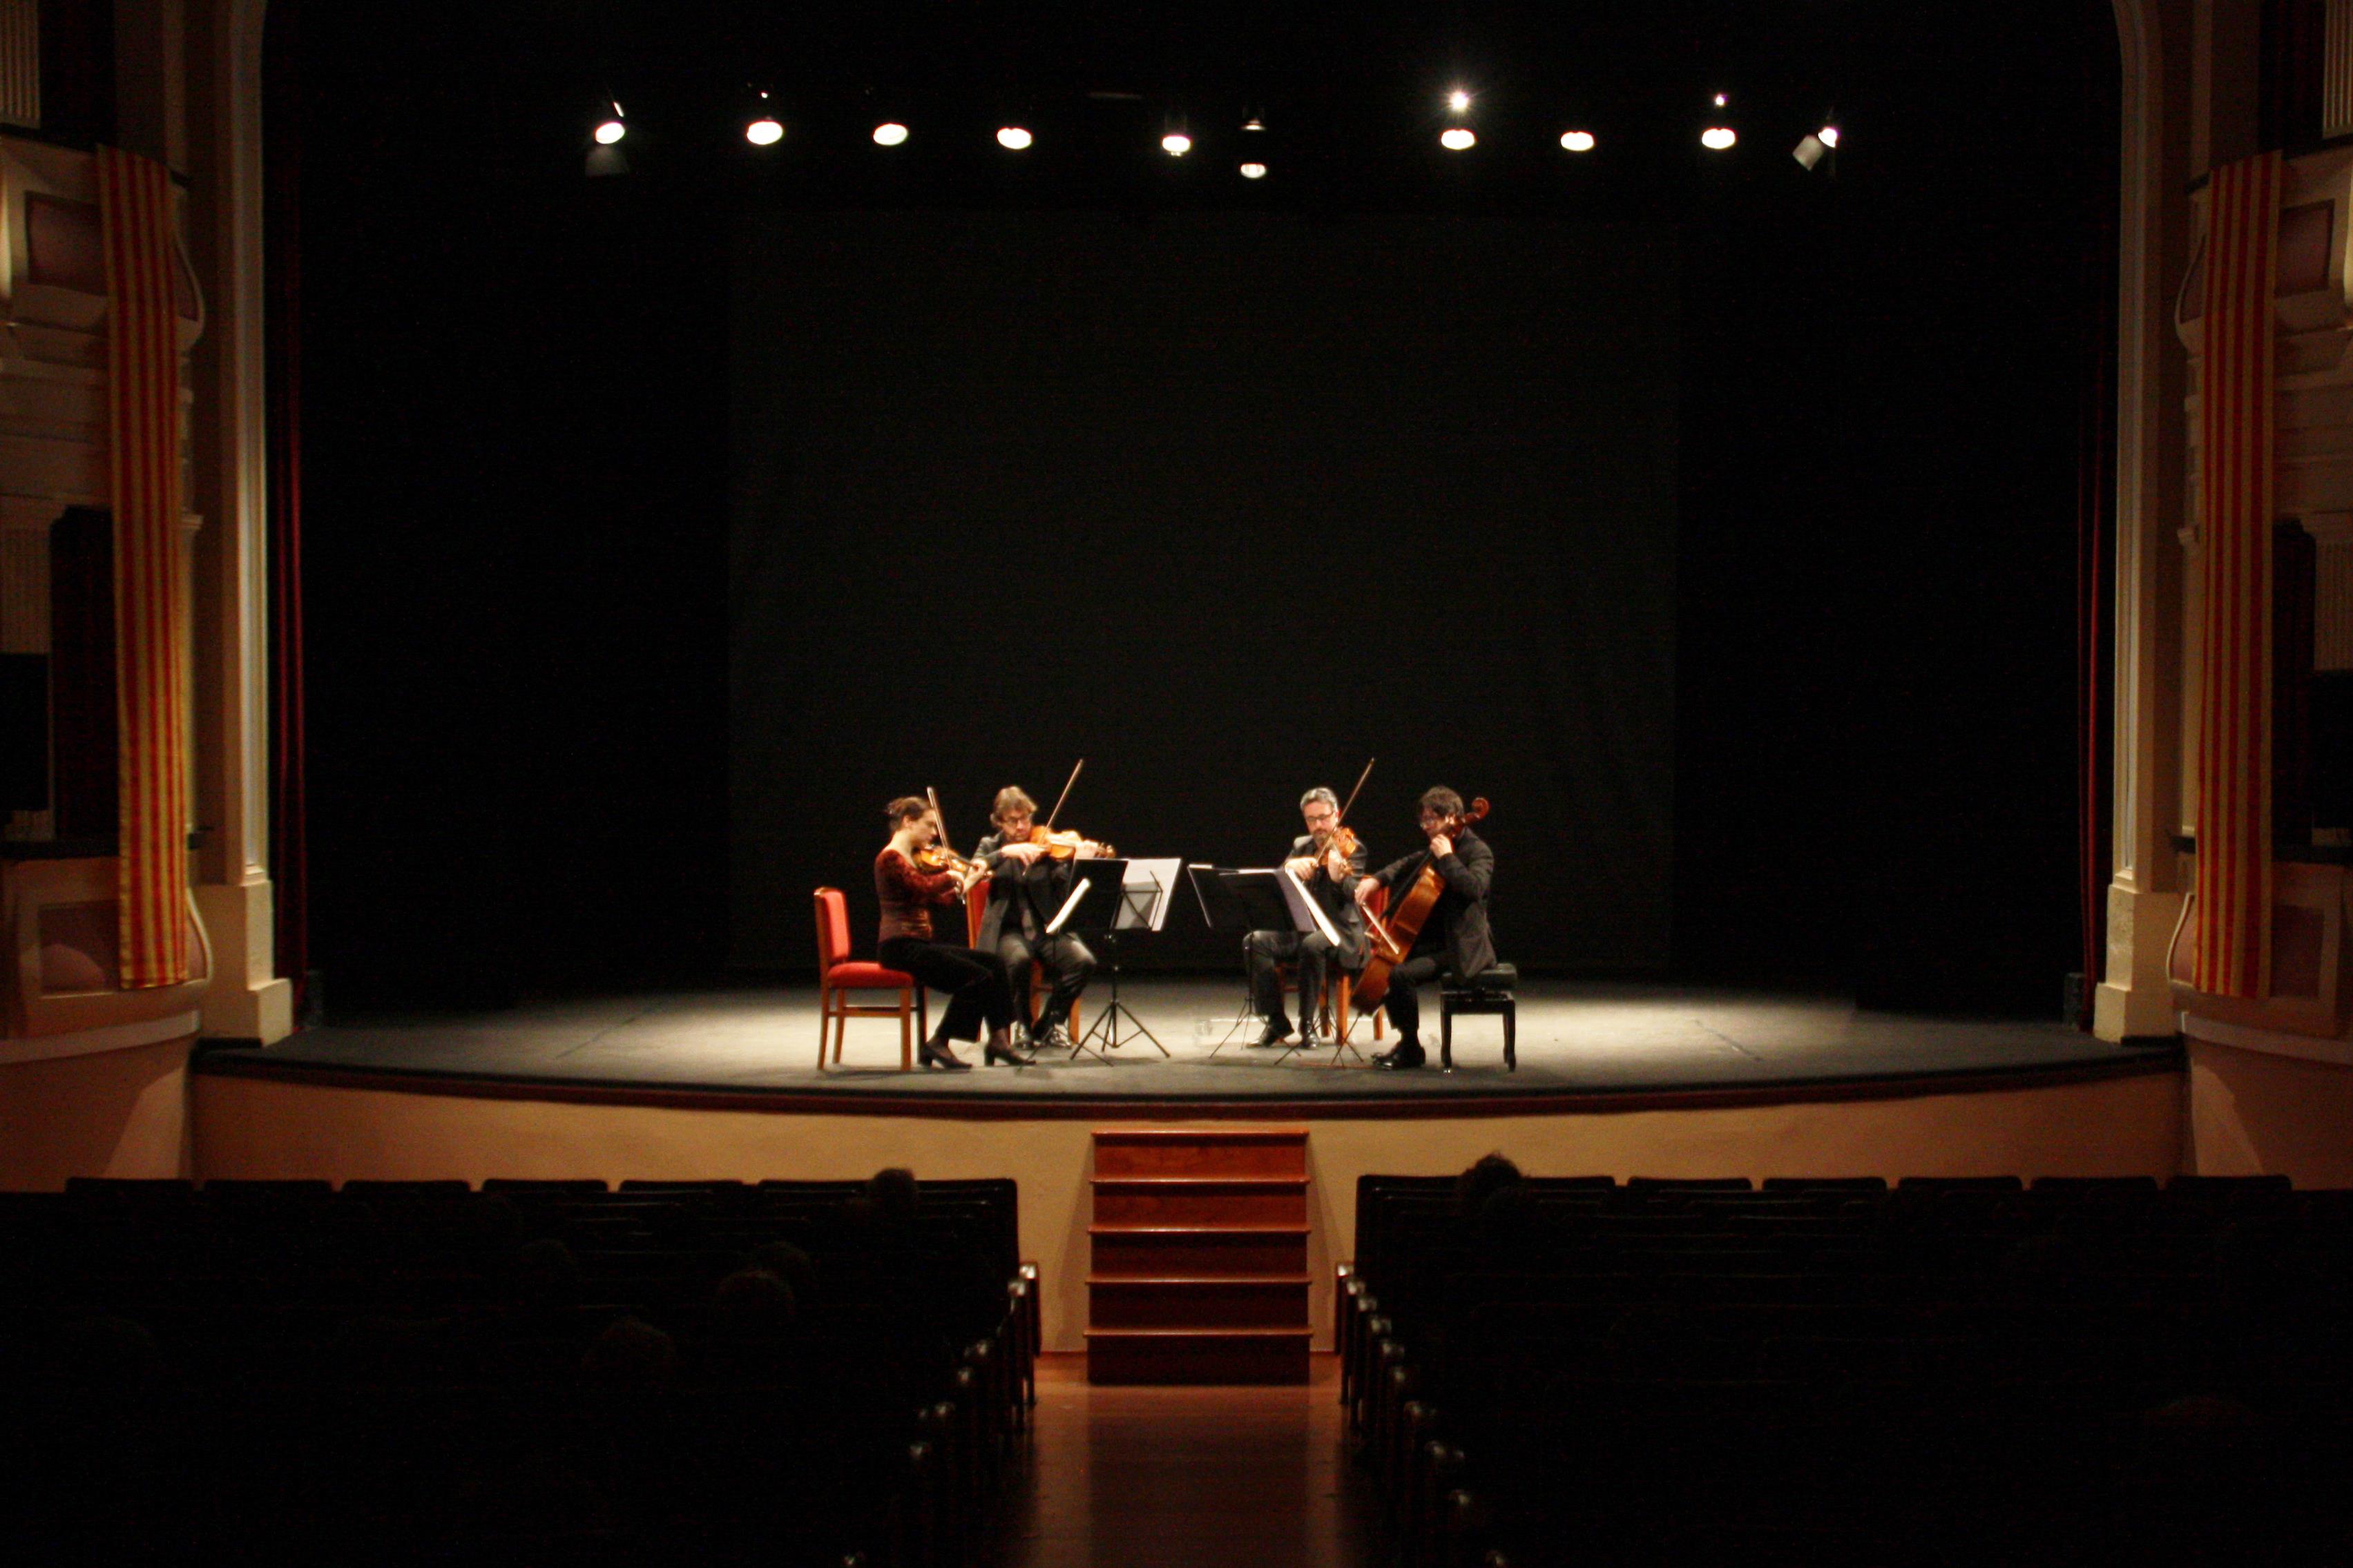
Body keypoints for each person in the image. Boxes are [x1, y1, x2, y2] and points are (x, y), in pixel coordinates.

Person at [874, 796, 1029, 1069]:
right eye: (929, 825)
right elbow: (922, 887)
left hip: (917, 945)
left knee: (992, 962)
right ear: (908, 822)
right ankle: (939, 1041)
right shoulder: (890, 858)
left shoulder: (912, 859)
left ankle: (999, 1040)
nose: (934, 833)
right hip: (899, 948)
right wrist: (950, 876)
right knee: (978, 978)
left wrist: (967, 881)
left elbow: (940, 900)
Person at [1354, 786, 1494, 1070]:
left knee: (1400, 974)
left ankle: (1410, 1048)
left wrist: (1447, 858)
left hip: (1460, 945)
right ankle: (1407, 1043)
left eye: (1433, 820)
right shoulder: (1436, 846)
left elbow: (1475, 889)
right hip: (1432, 940)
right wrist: (1377, 880)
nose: (1427, 827)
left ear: (1454, 817)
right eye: (1424, 820)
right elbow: (1406, 863)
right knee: (1387, 964)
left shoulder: (1477, 851)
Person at [972, 787, 1101, 1052]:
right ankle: (1022, 1025)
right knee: (1018, 960)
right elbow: (973, 870)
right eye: (1013, 820)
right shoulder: (991, 845)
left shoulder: (1046, 846)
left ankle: (1050, 1024)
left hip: (1045, 928)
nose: (1021, 826)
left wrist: (1080, 863)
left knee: (1083, 961)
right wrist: (1006, 853)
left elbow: (1066, 892)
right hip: (1008, 930)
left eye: (1026, 819)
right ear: (998, 821)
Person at [1244, 786, 1370, 1047]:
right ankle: (1276, 1021)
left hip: (1340, 932)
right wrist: (1289, 867)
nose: (1319, 826)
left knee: (1313, 944)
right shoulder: (1301, 846)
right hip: (1304, 928)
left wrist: (1338, 878)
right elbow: (1277, 881)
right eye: (1311, 820)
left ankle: (1307, 1025)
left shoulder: (1353, 849)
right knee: (1254, 941)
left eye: (1323, 818)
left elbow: (1355, 893)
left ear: (1336, 815)